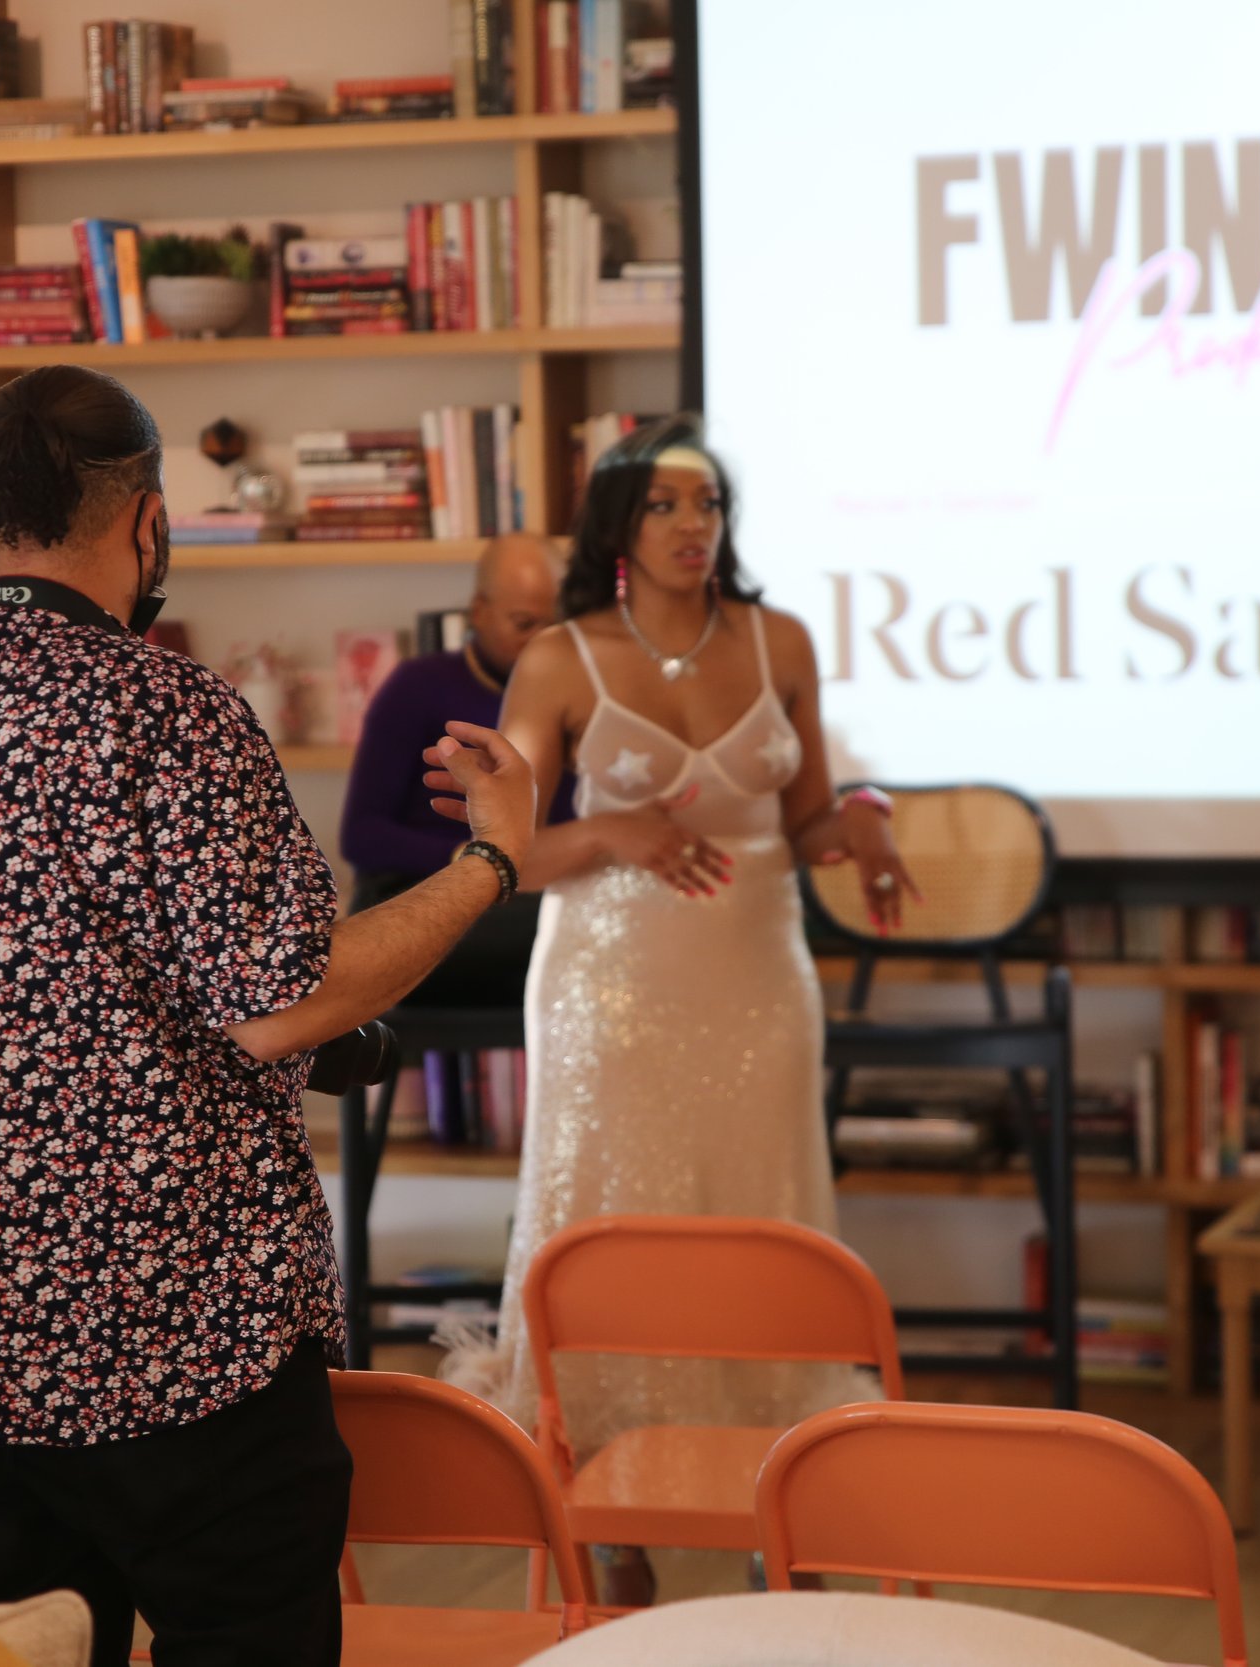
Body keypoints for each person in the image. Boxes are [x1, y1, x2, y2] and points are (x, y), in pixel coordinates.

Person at [0, 365, 536, 1667]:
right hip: (175, 1327)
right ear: (150, 521)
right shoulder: (170, 711)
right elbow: (281, 1004)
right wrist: (491, 859)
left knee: (46, 1633)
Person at [435, 416, 916, 1602]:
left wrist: (859, 826)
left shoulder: (780, 638)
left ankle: (776, 1501)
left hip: (760, 985)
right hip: (609, 990)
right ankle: (613, 1523)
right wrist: (607, 828)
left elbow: (803, 820)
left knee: (764, 1216)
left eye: (707, 504)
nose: (691, 525)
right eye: (663, 506)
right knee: (619, 1217)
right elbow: (501, 854)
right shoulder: (560, 659)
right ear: (618, 523)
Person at [340, 533, 573, 1006]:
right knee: (571, 933)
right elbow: (361, 836)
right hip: (422, 896)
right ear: (479, 612)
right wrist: (477, 859)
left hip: (535, 890)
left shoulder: (573, 691)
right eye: (524, 624)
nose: (542, 641)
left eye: (556, 625)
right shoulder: (416, 686)